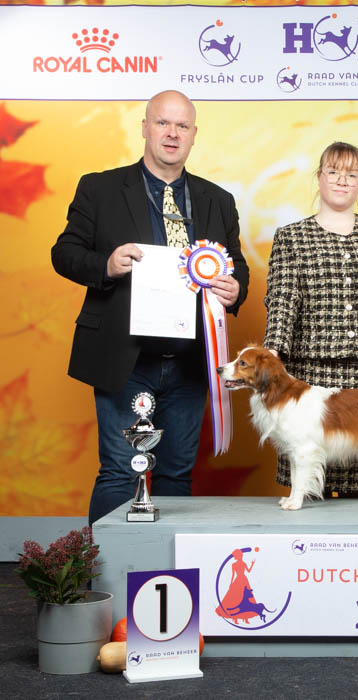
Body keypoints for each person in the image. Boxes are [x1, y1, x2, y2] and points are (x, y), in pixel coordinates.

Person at [51, 90, 249, 525]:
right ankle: (106, 566)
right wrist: (106, 264)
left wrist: (236, 290)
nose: (172, 133)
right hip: (126, 358)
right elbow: (63, 253)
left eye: (182, 126)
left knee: (177, 474)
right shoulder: (99, 188)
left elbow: (237, 266)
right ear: (145, 128)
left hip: (190, 363)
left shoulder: (218, 199)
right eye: (163, 123)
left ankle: (168, 565)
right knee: (120, 470)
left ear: (194, 135)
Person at [263, 141, 358, 496]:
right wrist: (273, 354)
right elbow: (282, 299)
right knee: (310, 475)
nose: (342, 180)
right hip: (311, 373)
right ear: (319, 177)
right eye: (333, 171)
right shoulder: (291, 237)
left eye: (352, 174)